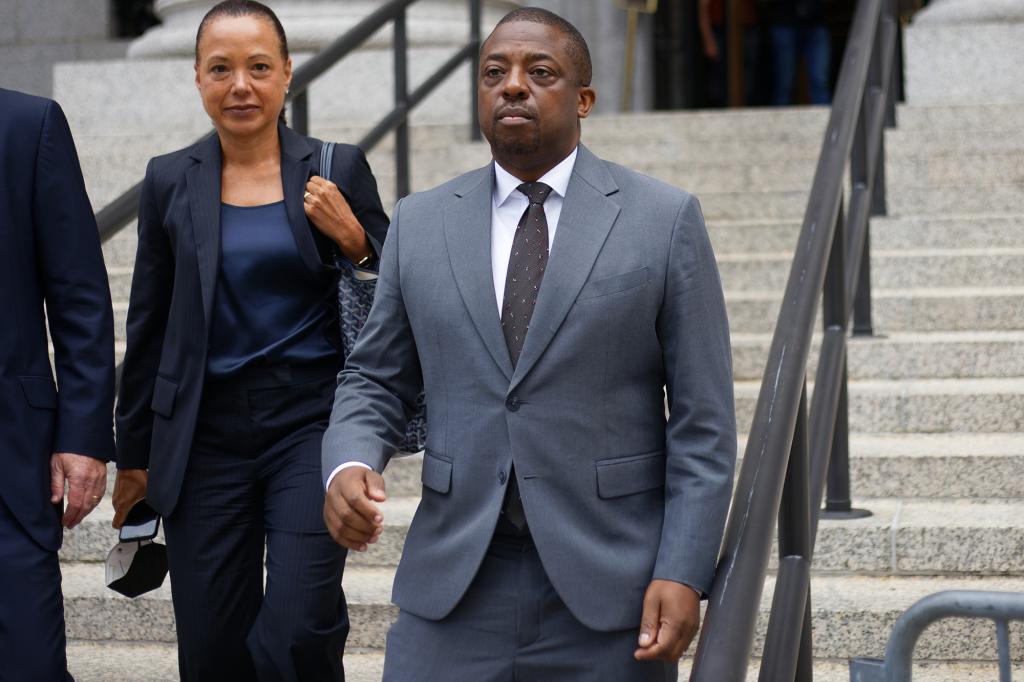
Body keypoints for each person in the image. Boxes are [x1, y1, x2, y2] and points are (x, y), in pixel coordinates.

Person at [322, 7, 737, 680]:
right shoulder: (420, 222)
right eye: (495, 72)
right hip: (454, 589)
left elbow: (704, 421)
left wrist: (684, 570)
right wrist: (347, 463)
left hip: (612, 593)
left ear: (583, 99)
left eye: (539, 72)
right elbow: (375, 378)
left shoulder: (663, 220)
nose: (513, 85)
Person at [110, 2, 389, 680]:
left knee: (297, 628)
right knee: (210, 648)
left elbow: (395, 297)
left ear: (287, 74)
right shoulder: (171, 179)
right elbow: (147, 325)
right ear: (198, 79)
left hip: (308, 428)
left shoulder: (336, 167)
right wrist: (133, 456)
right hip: (203, 437)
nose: (241, 85)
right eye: (221, 68)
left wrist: (354, 239)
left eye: (259, 67)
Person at [0, 87, 115, 681]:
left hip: (9, 462)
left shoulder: (27, 124)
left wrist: (85, 435)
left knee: (29, 665)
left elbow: (81, 297)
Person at [764, 0, 832, 105]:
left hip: (816, 21)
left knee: (819, 81)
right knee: (785, 84)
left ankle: (827, 121)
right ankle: (779, 120)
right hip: (784, 20)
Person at [698, 0, 760, 107]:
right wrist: (708, 39)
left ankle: (748, 105)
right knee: (720, 77)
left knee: (749, 75)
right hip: (721, 30)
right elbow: (702, 9)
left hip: (747, 28)